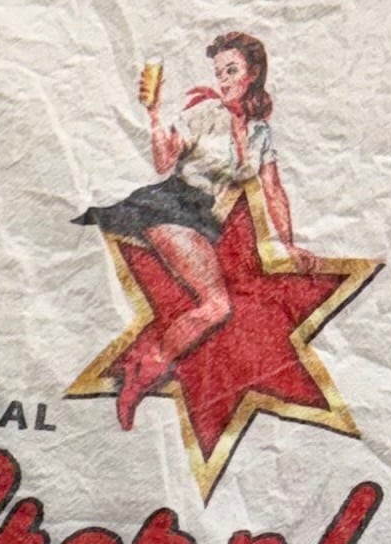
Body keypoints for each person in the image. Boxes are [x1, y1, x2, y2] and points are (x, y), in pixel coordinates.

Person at [77, 31, 319, 429]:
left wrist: (289, 245)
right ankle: (142, 374)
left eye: (232, 70)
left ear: (253, 73)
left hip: (202, 217)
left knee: (217, 308)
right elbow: (163, 161)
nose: (223, 80)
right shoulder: (205, 114)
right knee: (216, 306)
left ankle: (143, 368)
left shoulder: (260, 133)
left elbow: (273, 189)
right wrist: (154, 114)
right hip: (171, 205)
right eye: (219, 72)